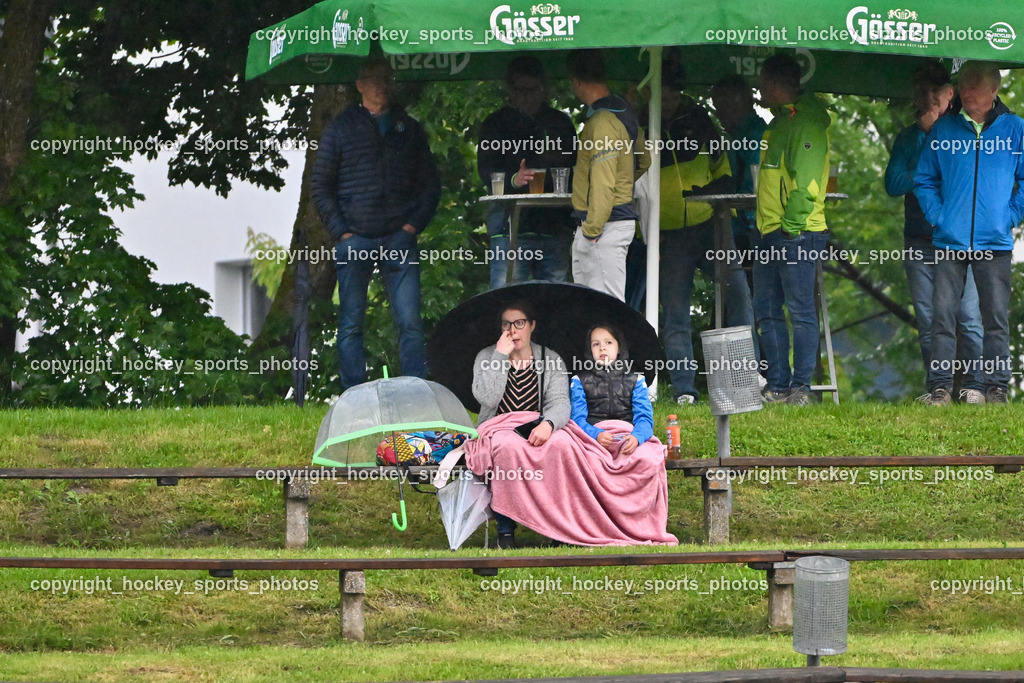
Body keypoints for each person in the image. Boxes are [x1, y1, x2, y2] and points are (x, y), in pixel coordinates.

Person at [312, 58, 441, 390]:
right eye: (374, 80)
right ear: (359, 85)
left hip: (399, 238)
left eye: (387, 79)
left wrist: (411, 227)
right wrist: (342, 232)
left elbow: (430, 185)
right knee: (352, 323)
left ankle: (416, 390)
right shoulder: (340, 128)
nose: (381, 85)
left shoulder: (409, 128)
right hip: (354, 240)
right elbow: (320, 186)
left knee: (410, 322)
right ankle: (353, 394)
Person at [915, 61, 1024, 406]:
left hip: (995, 242)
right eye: (964, 84)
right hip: (950, 240)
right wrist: (939, 217)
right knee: (943, 317)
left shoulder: (1016, 129)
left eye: (975, 85)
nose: (966, 90)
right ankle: (940, 389)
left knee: (994, 320)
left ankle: (996, 389)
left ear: (994, 91)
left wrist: (1010, 216)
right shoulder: (944, 130)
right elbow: (924, 178)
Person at [652, 62, 754, 406]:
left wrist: (708, 193)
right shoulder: (639, 125)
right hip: (666, 232)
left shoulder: (699, 120)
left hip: (710, 224)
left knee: (738, 294)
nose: (667, 103)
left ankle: (741, 381)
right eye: (661, 97)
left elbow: (723, 170)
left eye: (672, 96)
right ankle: (684, 391)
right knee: (676, 312)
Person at [883, 63, 984, 402]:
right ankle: (938, 389)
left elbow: (967, 181)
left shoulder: (964, 131)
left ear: (948, 94)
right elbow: (893, 184)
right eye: (920, 91)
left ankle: (975, 388)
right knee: (928, 319)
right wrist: (927, 146)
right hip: (918, 242)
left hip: (960, 241)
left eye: (933, 92)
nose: (926, 99)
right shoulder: (908, 137)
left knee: (968, 317)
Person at [752, 53, 832, 406]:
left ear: (775, 84)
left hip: (797, 232)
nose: (757, 88)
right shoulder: (779, 123)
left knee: (800, 311)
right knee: (766, 309)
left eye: (761, 82)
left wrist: (791, 228)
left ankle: (802, 388)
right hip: (771, 230)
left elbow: (809, 183)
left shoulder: (808, 122)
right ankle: (778, 386)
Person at [471, 302, 570, 548]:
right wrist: (500, 356)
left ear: (531, 326)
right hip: (499, 428)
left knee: (561, 444)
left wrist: (549, 424)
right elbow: (488, 398)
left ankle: (557, 527)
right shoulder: (486, 357)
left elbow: (560, 402)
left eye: (519, 323)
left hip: (536, 425)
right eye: (506, 324)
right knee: (506, 447)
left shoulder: (551, 358)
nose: (512, 330)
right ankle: (505, 528)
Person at [477, 57, 577, 289]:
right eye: (521, 90)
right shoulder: (495, 124)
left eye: (534, 90)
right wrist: (515, 178)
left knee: (555, 301)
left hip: (556, 227)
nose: (528, 96)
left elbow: (576, 168)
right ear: (510, 90)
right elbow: (486, 170)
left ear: (544, 88)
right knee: (506, 299)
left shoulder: (559, 122)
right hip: (510, 228)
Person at [567, 49, 651, 301]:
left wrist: (591, 230)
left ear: (576, 81)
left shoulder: (601, 122)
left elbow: (604, 182)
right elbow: (644, 160)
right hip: (612, 222)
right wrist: (623, 180)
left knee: (606, 313)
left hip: (603, 226)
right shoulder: (624, 112)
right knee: (599, 312)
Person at [711, 74, 768, 291]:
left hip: (750, 230)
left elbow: (755, 183)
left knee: (745, 295)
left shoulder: (753, 135)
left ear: (740, 103)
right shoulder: (740, 135)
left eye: (722, 107)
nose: (719, 114)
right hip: (741, 228)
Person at [569, 324, 654, 455]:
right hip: (593, 438)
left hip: (628, 435)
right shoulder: (579, 381)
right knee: (584, 457)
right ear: (589, 349)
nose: (602, 347)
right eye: (595, 344)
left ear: (619, 347)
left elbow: (644, 417)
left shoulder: (636, 380)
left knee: (648, 457)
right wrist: (595, 434)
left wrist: (637, 437)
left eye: (608, 342)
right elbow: (577, 420)